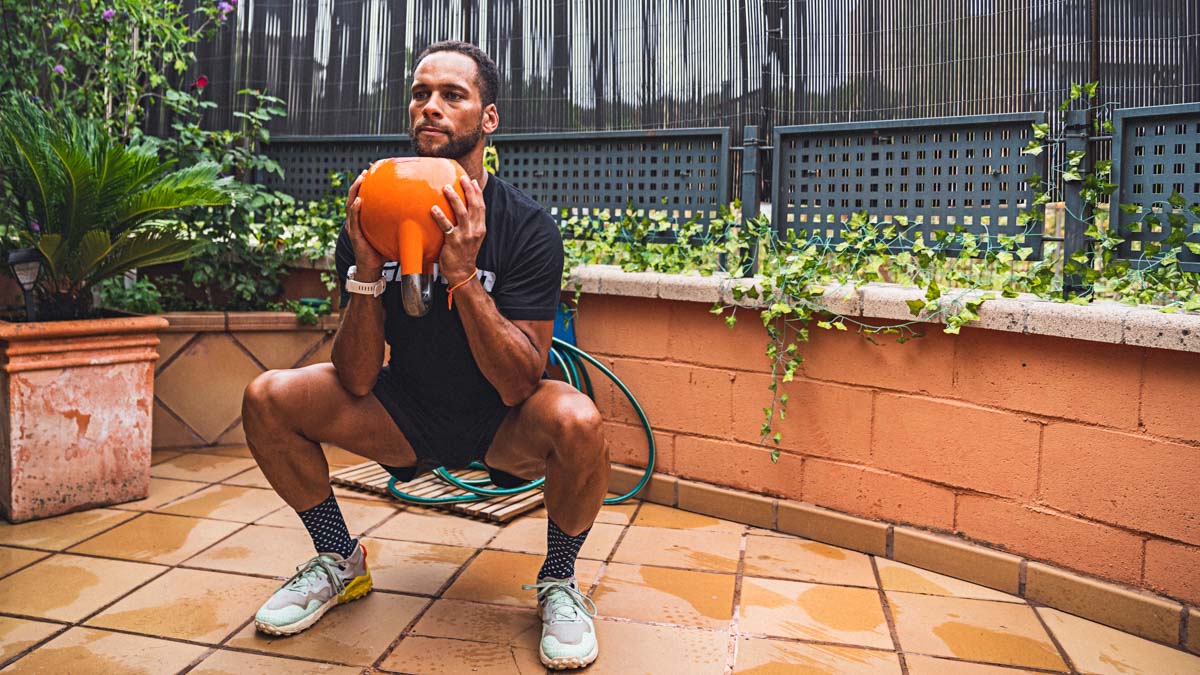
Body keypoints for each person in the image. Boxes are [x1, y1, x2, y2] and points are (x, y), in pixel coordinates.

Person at [241, 40, 608, 670]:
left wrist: (462, 276)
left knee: (578, 420)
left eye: (451, 95)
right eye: (420, 94)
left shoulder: (525, 227)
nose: (430, 107)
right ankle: (339, 559)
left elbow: (522, 382)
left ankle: (560, 581)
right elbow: (355, 375)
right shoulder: (373, 217)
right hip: (403, 411)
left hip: (502, 421)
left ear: (487, 120)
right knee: (267, 397)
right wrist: (365, 267)